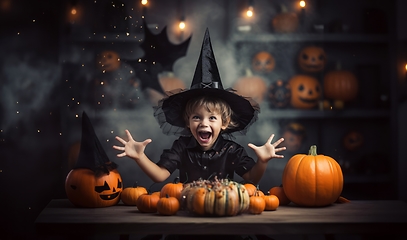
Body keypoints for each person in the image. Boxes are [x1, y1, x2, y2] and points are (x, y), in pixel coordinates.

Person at [113, 29, 284, 240]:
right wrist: (140, 157)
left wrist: (263, 161)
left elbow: (251, 178)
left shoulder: (231, 150)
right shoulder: (181, 147)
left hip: (224, 219)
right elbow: (159, 176)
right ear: (187, 122)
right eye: (197, 117)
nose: (204, 123)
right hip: (187, 220)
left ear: (225, 124)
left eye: (212, 118)